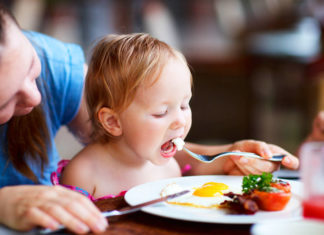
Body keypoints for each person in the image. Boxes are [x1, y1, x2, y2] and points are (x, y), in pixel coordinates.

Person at [55, 33, 299, 199]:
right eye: (161, 112)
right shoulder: (84, 175)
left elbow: (207, 164)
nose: (180, 121)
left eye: (184, 106)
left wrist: (242, 156)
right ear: (113, 122)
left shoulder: (171, 164)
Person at [0, 4, 107, 234]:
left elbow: (133, 140)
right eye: (4, 103)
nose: (35, 97)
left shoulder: (54, 63)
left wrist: (201, 160)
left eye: (30, 65)